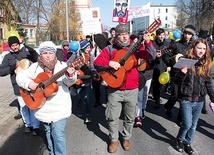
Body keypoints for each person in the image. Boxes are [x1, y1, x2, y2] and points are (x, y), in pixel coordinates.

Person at [16, 41, 77, 155]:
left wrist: (70, 75)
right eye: (45, 53)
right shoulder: (35, 67)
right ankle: (52, 151)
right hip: (43, 107)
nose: (48, 55)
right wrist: (29, 83)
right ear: (41, 54)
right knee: (48, 131)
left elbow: (70, 81)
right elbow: (20, 76)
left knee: (57, 133)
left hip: (60, 106)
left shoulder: (63, 66)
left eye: (50, 53)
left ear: (54, 54)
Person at [94, 23, 145, 153]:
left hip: (132, 88)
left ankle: (126, 137)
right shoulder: (110, 49)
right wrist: (109, 63)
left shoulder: (136, 48)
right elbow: (97, 63)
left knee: (130, 116)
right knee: (112, 117)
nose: (124, 37)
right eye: (121, 35)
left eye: (126, 34)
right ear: (116, 37)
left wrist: (148, 43)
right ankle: (114, 140)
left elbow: (150, 57)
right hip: (115, 89)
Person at [173, 38, 214, 154]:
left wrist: (212, 98)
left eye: (204, 49)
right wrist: (181, 73)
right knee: (187, 123)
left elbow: (209, 83)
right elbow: (175, 81)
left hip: (199, 99)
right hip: (186, 98)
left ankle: (188, 142)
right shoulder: (184, 60)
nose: (202, 51)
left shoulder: (205, 63)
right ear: (193, 48)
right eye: (199, 48)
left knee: (194, 125)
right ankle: (180, 139)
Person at [0, 36, 40, 135]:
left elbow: (37, 60)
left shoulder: (25, 52)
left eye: (16, 45)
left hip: (30, 83)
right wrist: (11, 68)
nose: (15, 47)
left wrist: (32, 52)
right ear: (10, 46)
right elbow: (1, 71)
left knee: (33, 105)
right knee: (23, 106)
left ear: (19, 44)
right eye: (13, 45)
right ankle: (28, 125)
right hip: (17, 85)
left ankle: (35, 126)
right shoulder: (7, 57)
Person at [162, 25, 196, 123]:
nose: (187, 35)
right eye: (186, 33)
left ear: (192, 35)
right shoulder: (176, 45)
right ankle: (168, 107)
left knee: (184, 97)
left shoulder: (193, 46)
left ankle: (181, 118)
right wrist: (170, 63)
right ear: (183, 34)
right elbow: (166, 55)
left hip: (189, 74)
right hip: (176, 73)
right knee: (175, 95)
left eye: (189, 34)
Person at [69, 40, 99, 123]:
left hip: (87, 80)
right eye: (88, 47)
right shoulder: (76, 55)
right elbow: (69, 64)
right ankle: (78, 108)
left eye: (89, 47)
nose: (89, 49)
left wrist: (94, 73)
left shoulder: (90, 55)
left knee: (87, 98)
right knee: (78, 96)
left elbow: (92, 67)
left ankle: (88, 115)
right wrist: (75, 70)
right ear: (83, 48)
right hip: (78, 80)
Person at [134, 31, 156, 127]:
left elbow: (153, 56)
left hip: (148, 73)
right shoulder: (135, 46)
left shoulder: (149, 44)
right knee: (139, 95)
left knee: (145, 95)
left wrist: (148, 43)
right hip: (139, 74)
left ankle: (143, 108)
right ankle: (138, 115)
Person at [152, 28, 170, 108]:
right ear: (157, 35)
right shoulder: (153, 43)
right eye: (160, 35)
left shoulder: (167, 43)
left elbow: (169, 55)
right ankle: (157, 100)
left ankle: (157, 95)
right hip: (155, 66)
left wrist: (169, 65)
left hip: (164, 65)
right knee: (156, 83)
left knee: (162, 84)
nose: (161, 36)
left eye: (163, 35)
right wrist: (156, 56)